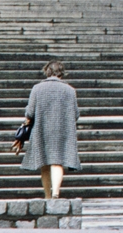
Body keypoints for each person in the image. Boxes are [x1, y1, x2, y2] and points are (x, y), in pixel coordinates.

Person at [14, 60, 80, 199]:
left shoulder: (37, 88)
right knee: (57, 161)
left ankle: (48, 195)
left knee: (44, 163)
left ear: (47, 71)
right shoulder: (70, 90)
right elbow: (76, 114)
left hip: (42, 130)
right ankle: (56, 192)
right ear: (61, 73)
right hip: (61, 131)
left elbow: (30, 113)